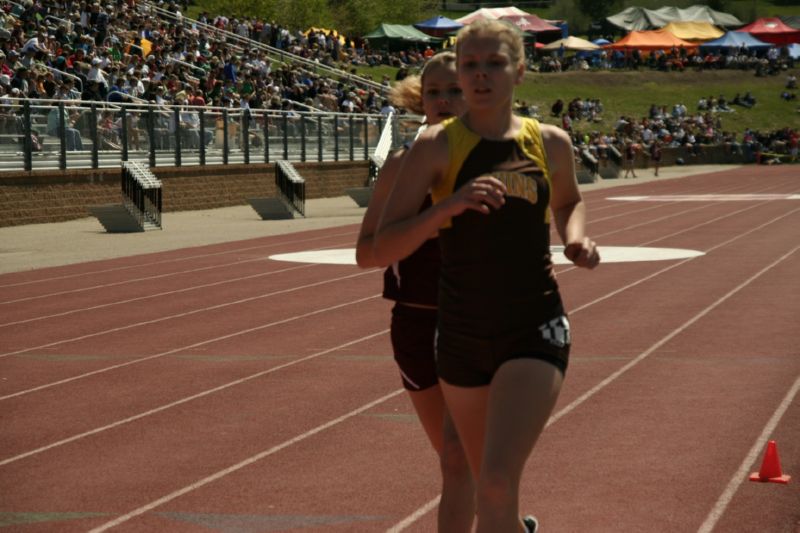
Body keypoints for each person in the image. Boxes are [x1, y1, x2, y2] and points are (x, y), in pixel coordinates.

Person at [373, 19, 599, 532]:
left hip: (533, 322)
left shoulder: (551, 142)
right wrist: (443, 209)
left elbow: (569, 201)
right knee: (476, 478)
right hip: (459, 334)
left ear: (519, 70)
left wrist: (575, 237)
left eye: (493, 64)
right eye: (470, 65)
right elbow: (383, 245)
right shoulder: (434, 147)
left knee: (496, 482)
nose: (479, 77)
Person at [355, 51, 475, 532]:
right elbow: (367, 254)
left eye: (455, 91)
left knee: (459, 457)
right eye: (434, 93)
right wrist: (431, 219)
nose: (444, 101)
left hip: (479, 324)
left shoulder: (504, 159)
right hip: (417, 324)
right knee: (455, 458)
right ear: (418, 101)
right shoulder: (402, 166)